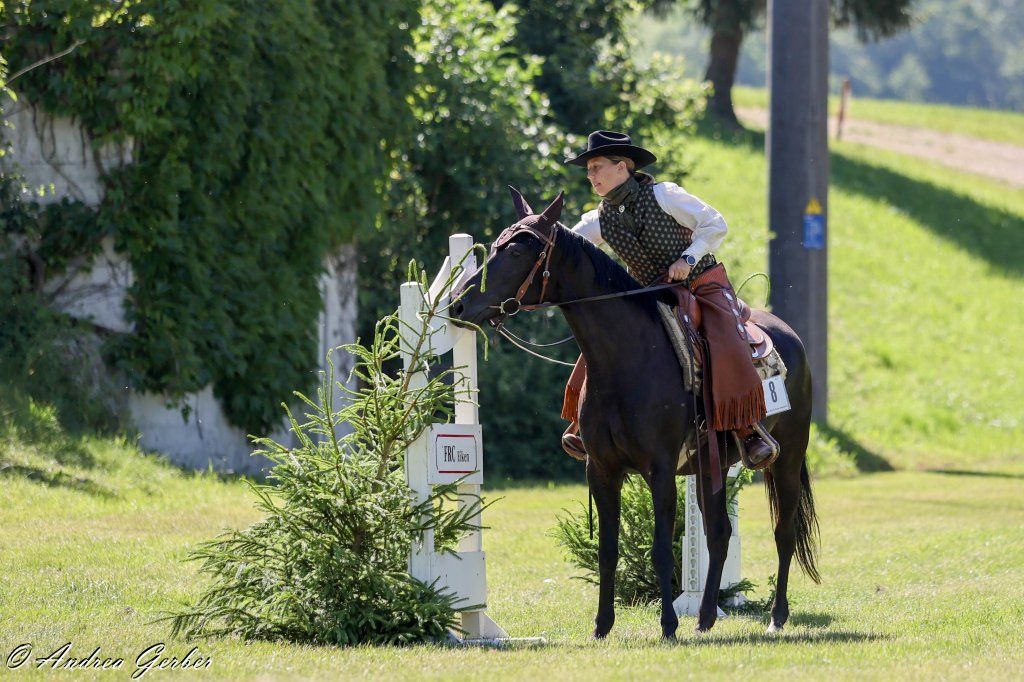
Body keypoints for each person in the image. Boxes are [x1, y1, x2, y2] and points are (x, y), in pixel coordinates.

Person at [561, 130, 778, 469]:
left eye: (596, 167)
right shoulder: (599, 218)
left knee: (723, 336)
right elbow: (568, 245)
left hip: (702, 285)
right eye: (588, 170)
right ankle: (582, 421)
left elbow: (715, 223)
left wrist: (688, 259)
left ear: (622, 167)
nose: (591, 176)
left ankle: (746, 429)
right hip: (652, 297)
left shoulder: (665, 196)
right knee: (605, 339)